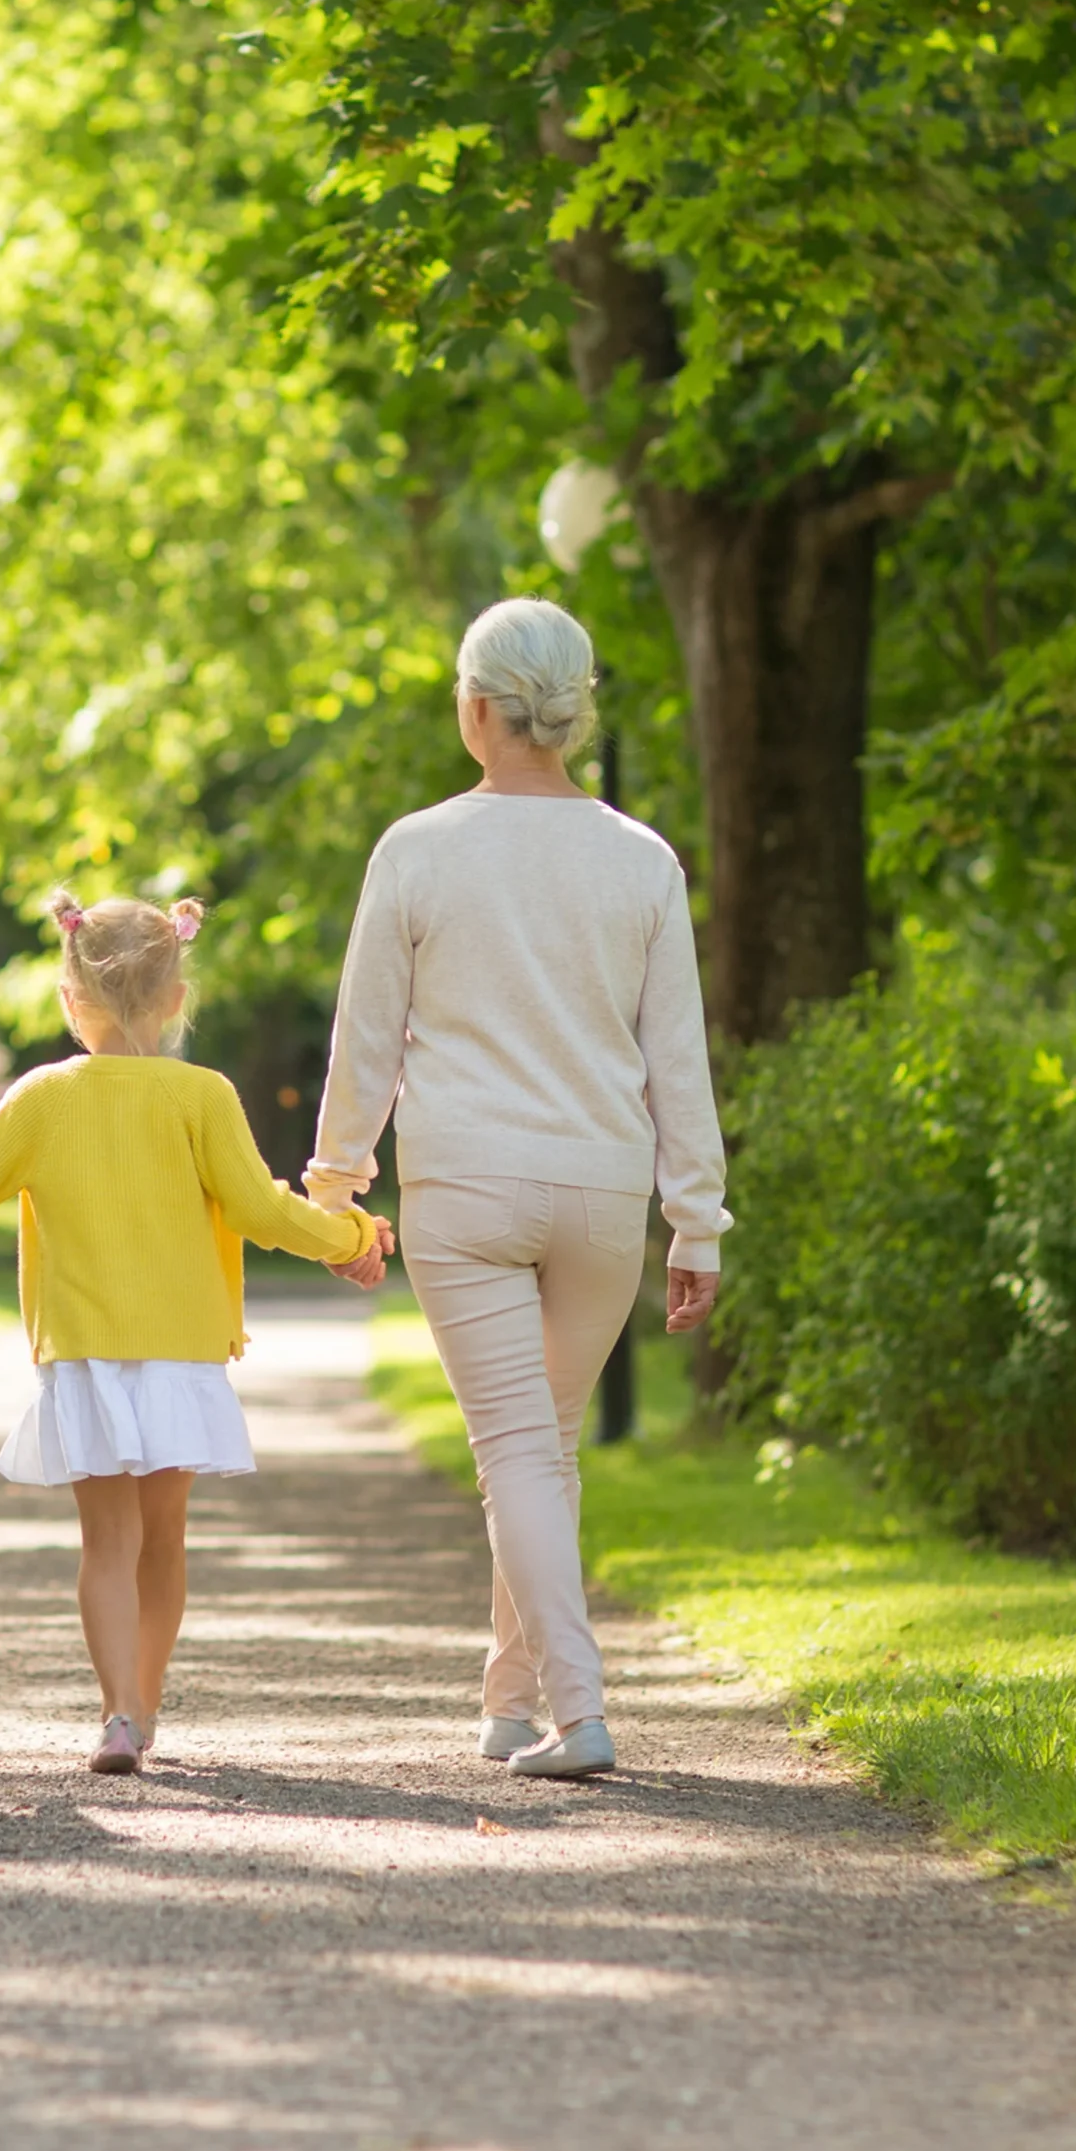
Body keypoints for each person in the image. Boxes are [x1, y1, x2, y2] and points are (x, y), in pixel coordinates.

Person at [0, 890, 393, 1774]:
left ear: (71, 1000)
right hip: (181, 1353)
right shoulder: (204, 1096)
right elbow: (263, 1211)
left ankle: (115, 1714)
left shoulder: (44, 1097)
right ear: (177, 998)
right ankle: (144, 1709)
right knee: (166, 1539)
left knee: (106, 1542)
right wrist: (351, 1238)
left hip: (84, 1355)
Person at [306, 596, 729, 1781]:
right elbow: (677, 1062)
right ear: (570, 711)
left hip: (469, 1191)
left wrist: (336, 1189)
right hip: (604, 1199)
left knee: (518, 1451)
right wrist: (697, 1220)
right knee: (539, 1444)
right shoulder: (642, 861)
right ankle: (506, 1698)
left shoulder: (418, 849)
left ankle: (580, 1714)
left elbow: (366, 1043)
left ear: (477, 707)